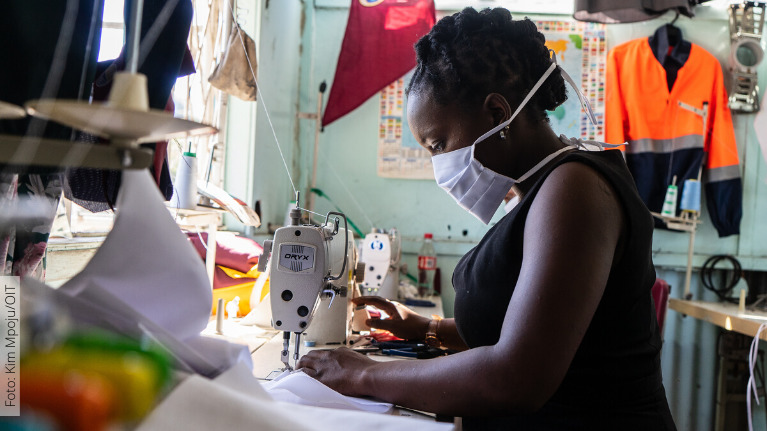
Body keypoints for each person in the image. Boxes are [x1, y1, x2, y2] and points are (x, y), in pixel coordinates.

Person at [297, 7, 676, 430]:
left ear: (497, 113)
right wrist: (427, 328)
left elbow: (517, 376)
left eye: (439, 144)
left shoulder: (575, 190)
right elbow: (535, 326)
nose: (438, 164)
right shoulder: (540, 188)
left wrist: (361, 373)